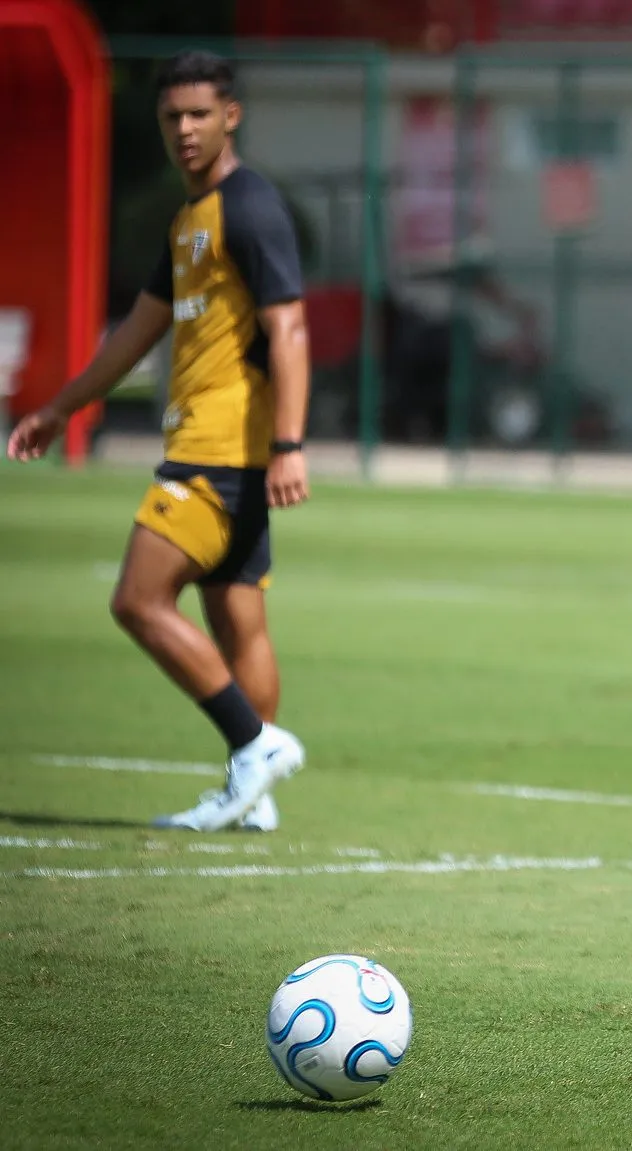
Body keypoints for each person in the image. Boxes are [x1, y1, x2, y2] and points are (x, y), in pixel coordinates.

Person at [7, 51, 312, 832]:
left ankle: (255, 746)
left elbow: (290, 327)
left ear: (231, 116)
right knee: (238, 622)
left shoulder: (249, 208)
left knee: (137, 599)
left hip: (216, 451)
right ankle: (255, 799)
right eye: (172, 116)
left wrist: (289, 442)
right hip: (223, 454)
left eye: (199, 114)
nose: (184, 129)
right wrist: (60, 407)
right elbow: (134, 336)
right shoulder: (188, 221)